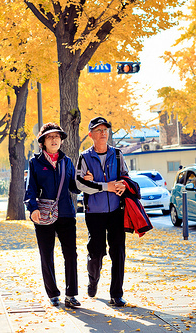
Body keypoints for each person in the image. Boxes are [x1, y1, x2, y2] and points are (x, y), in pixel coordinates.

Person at [24, 123, 81, 308]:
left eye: (57, 136)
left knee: (71, 254)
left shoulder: (67, 161)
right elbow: (30, 188)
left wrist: (82, 181)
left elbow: (73, 187)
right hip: (43, 214)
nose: (55, 139)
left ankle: (71, 294)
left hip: (66, 213)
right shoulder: (35, 163)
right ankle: (53, 294)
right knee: (46, 255)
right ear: (43, 141)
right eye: (50, 137)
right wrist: (32, 209)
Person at [75, 116, 129, 307]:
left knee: (118, 252)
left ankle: (116, 294)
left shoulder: (117, 154)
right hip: (94, 212)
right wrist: (106, 186)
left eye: (105, 129)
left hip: (116, 211)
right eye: (98, 130)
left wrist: (123, 186)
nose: (103, 133)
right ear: (91, 135)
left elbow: (125, 177)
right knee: (96, 252)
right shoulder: (85, 157)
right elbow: (80, 183)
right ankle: (93, 279)